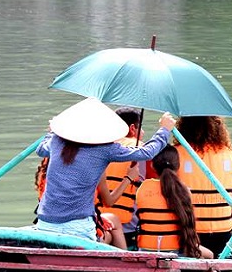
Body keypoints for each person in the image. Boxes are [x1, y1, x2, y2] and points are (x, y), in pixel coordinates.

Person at [35, 97, 175, 241]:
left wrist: (52, 131)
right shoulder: (104, 149)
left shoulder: (56, 141)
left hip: (45, 222)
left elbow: (40, 149)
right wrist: (164, 130)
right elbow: (147, 152)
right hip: (78, 226)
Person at [174, 116, 232, 256]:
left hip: (191, 232)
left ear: (183, 128)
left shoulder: (176, 153)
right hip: (224, 230)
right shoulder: (228, 153)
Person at [135, 145, 213, 258]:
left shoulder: (143, 188)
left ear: (152, 165)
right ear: (178, 166)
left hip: (145, 250)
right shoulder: (184, 191)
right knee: (210, 255)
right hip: (174, 253)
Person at [97, 107, 145, 248]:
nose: (143, 133)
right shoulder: (141, 151)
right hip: (128, 227)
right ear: (132, 129)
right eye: (140, 128)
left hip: (99, 220)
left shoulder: (97, 148)